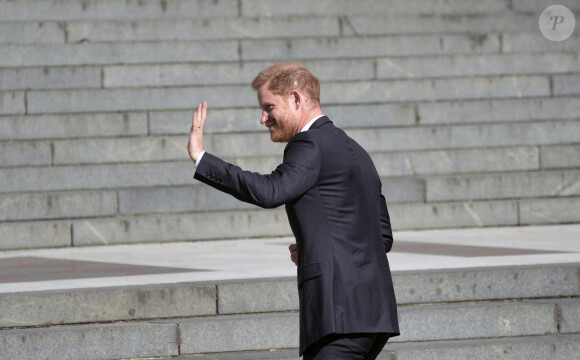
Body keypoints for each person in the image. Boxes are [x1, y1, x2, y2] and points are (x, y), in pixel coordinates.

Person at [187, 62, 399, 360]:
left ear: (296, 98)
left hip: (338, 314)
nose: (263, 118)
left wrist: (202, 159)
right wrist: (319, 246)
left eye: (269, 107)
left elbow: (271, 191)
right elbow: (382, 237)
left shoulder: (309, 143)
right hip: (375, 315)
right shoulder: (356, 150)